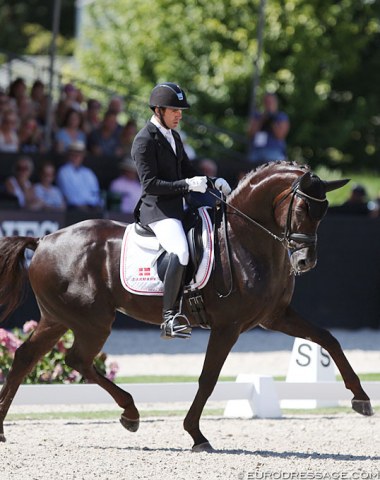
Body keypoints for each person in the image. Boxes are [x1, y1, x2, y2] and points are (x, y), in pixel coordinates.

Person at [132, 82, 231, 339]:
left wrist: (211, 181)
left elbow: (187, 170)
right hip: (156, 211)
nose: (179, 115)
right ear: (158, 110)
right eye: (174, 110)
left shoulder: (174, 137)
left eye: (180, 110)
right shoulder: (144, 140)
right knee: (180, 249)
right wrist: (187, 185)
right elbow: (151, 185)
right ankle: (169, 318)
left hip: (177, 208)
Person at [56, 140, 103, 211]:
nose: (76, 157)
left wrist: (93, 204)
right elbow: (68, 195)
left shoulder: (88, 172)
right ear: (69, 155)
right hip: (74, 209)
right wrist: (83, 205)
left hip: (91, 208)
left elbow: (95, 192)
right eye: (73, 154)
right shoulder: (64, 171)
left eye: (79, 154)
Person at [248, 92, 290, 165]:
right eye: (266, 102)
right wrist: (262, 119)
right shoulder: (257, 116)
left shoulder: (281, 116)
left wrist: (272, 120)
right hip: (256, 152)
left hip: (274, 152)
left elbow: (280, 135)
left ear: (275, 103)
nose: (268, 104)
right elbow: (250, 133)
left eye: (271, 102)